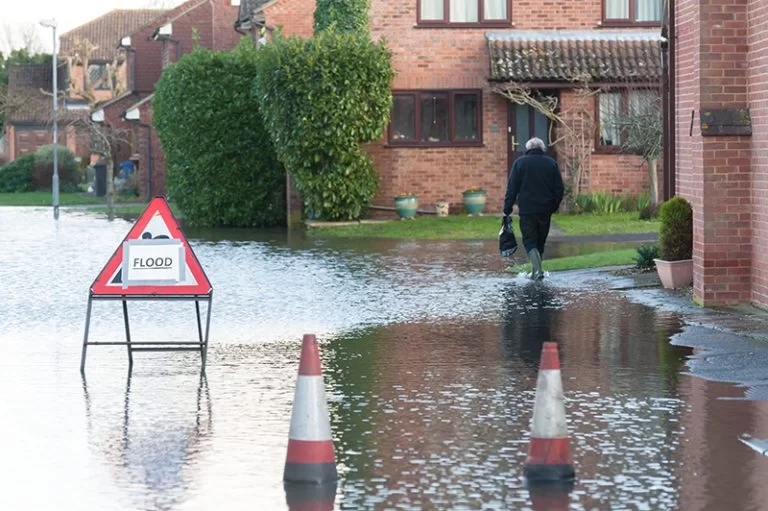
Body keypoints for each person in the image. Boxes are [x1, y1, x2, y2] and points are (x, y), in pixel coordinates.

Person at [503, 137, 564, 280]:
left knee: (529, 240)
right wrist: (554, 206)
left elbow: (512, 188)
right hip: (545, 209)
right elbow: (559, 188)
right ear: (542, 149)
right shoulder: (551, 163)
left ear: (528, 149)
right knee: (540, 240)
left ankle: (537, 271)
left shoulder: (520, 163)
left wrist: (507, 208)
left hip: (527, 209)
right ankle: (537, 270)